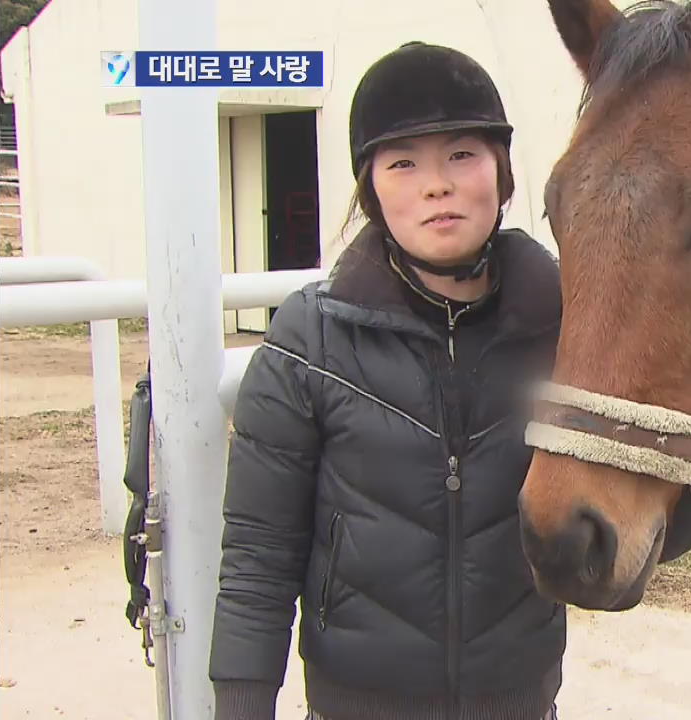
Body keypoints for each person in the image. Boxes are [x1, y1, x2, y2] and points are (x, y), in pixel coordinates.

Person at [207, 41, 566, 720]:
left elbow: (646, 513)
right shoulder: (308, 340)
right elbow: (259, 555)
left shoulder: (564, 330)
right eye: (403, 162)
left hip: (520, 699)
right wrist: (241, 705)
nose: (437, 185)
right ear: (371, 186)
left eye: (462, 154)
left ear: (502, 169)